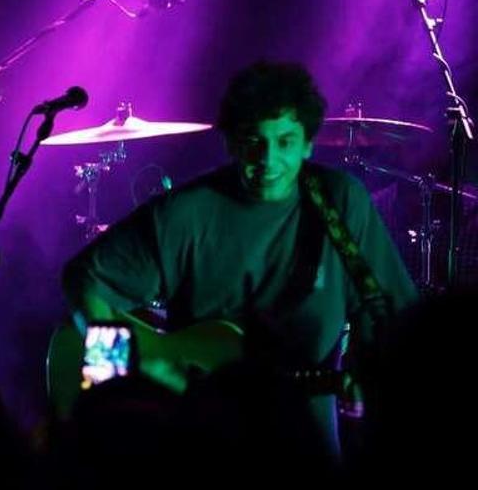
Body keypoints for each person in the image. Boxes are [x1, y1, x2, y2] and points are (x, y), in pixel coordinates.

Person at [61, 62, 419, 459]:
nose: (268, 159)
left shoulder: (339, 201)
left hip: (307, 438)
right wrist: (142, 365)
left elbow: (392, 313)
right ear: (231, 143)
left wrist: (369, 368)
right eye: (253, 141)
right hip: (203, 441)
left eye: (285, 142)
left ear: (308, 144)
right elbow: (83, 280)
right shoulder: (187, 213)